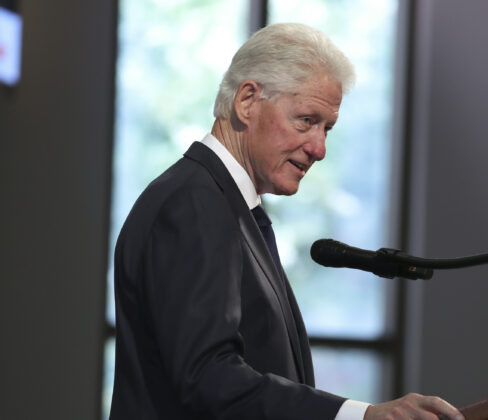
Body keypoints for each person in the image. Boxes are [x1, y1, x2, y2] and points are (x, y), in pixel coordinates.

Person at [109, 23, 464, 420]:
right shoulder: (194, 202)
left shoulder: (226, 204)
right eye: (306, 120)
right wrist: (360, 416)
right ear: (247, 101)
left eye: (327, 128)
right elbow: (207, 378)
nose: (319, 148)